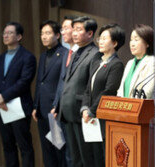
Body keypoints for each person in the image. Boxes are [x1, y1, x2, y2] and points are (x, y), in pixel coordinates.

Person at [0, 22, 36, 167]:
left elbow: (24, 81)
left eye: (9, 33)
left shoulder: (27, 57)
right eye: (4, 33)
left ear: (19, 36)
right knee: (8, 146)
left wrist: (4, 97)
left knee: (24, 147)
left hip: (19, 108)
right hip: (2, 108)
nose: (5, 35)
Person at [80, 23, 125, 167]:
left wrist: (92, 111)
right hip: (91, 118)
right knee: (90, 158)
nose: (100, 41)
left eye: (105, 38)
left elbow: (109, 91)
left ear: (115, 43)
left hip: (103, 119)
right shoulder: (97, 62)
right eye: (100, 38)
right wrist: (85, 108)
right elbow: (88, 89)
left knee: (102, 159)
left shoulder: (117, 64)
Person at [56, 16, 99, 167]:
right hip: (68, 112)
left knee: (86, 158)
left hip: (83, 112)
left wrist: (87, 108)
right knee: (74, 159)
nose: (74, 33)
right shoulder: (74, 52)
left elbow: (92, 85)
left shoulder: (95, 53)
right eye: (73, 29)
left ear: (90, 33)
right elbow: (67, 83)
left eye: (79, 30)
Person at [32, 20, 68, 167]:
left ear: (58, 35)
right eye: (42, 34)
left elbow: (63, 83)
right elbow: (40, 82)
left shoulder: (65, 54)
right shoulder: (43, 56)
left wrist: (57, 106)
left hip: (54, 111)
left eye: (48, 33)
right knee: (47, 151)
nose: (44, 37)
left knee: (58, 149)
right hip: (41, 111)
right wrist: (35, 106)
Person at [117, 24, 155, 99]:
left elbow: (148, 92)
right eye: (131, 40)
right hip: (124, 107)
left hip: (140, 108)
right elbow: (121, 90)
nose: (132, 44)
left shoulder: (154, 62)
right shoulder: (130, 63)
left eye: (136, 40)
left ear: (147, 43)